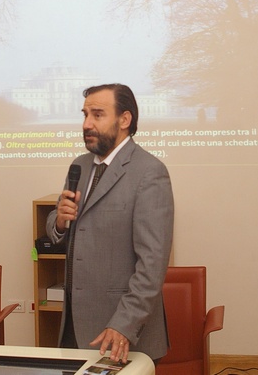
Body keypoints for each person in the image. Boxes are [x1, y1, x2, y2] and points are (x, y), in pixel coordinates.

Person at [46, 84, 174, 363]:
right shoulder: (79, 165)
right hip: (73, 328)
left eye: (97, 115)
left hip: (120, 332)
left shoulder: (149, 173)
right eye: (84, 115)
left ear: (124, 120)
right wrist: (60, 221)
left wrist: (123, 325)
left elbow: (152, 265)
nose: (86, 124)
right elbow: (59, 226)